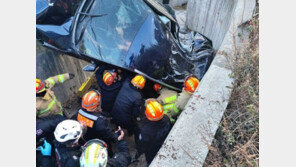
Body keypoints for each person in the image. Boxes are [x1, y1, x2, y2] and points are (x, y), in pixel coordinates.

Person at [73, 90, 123, 155]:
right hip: (99, 141)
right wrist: (116, 136)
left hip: (85, 139)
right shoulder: (100, 120)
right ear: (96, 104)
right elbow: (107, 134)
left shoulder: (78, 113)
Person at [133, 99, 171, 165]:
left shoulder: (146, 131)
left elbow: (142, 144)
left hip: (152, 150)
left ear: (147, 115)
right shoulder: (166, 119)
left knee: (150, 160)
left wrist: (139, 151)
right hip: (162, 143)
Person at [111, 74, 145, 141]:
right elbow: (135, 113)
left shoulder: (125, 84)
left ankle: (117, 128)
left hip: (114, 113)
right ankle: (130, 133)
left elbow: (128, 77)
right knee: (133, 125)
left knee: (118, 121)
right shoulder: (138, 96)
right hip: (125, 120)